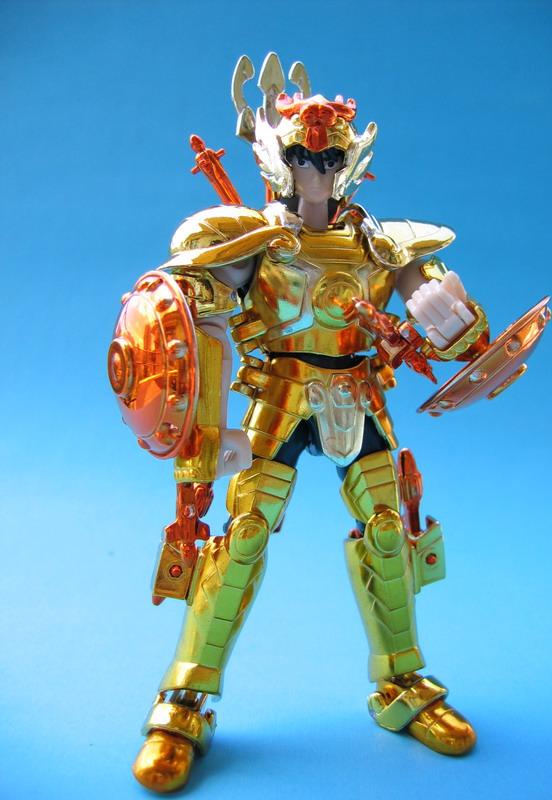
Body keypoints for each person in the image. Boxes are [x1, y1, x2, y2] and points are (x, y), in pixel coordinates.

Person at [115, 54, 494, 793]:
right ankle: (184, 702)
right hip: (280, 394)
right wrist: (203, 422)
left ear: (349, 163)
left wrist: (459, 323)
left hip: (358, 393)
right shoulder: (253, 239)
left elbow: (453, 330)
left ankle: (402, 684)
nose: (315, 173)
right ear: (277, 160)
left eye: (327, 159)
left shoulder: (385, 245)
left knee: (388, 530)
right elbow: (187, 312)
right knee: (244, 535)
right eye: (301, 158)